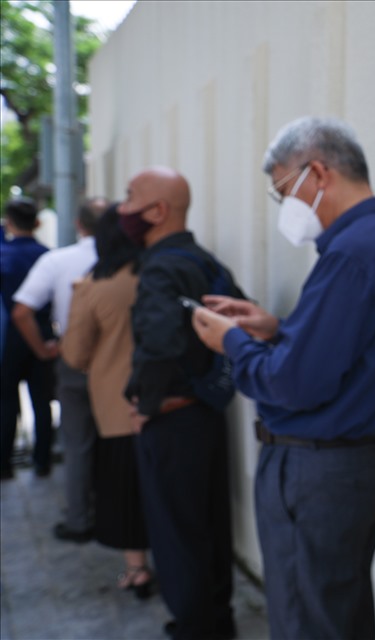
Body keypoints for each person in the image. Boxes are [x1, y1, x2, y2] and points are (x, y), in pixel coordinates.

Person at [191, 116, 375, 639]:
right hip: (348, 462)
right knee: (335, 614)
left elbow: (293, 384)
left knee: (308, 621)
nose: (285, 207)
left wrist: (228, 340)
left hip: (315, 467)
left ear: (317, 172)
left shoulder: (352, 253)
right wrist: (275, 327)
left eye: (283, 190)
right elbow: (355, 348)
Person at [118, 166, 241, 640]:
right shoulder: (206, 261)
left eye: (129, 198)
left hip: (172, 422)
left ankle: (195, 629)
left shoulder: (161, 268)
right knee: (209, 530)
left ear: (157, 211)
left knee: (177, 539)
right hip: (206, 418)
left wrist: (146, 406)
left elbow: (159, 345)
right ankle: (217, 623)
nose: (121, 210)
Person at [60, 205, 153, 599]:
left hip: (115, 406)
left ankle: (137, 569)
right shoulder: (156, 273)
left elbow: (75, 354)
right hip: (167, 400)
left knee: (126, 491)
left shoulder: (93, 286)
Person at [10, 197, 106, 541]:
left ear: (79, 225)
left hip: (75, 360)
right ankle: (120, 517)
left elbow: (21, 311)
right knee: (120, 442)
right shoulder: (132, 261)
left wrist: (44, 349)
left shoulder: (59, 260)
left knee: (78, 443)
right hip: (121, 363)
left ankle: (81, 519)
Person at [0, 198, 55, 480]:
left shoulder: (3, 254)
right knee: (42, 400)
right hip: (43, 331)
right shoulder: (47, 255)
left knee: (7, 401)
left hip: (10, 335)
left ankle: (5, 463)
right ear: (37, 222)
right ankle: (42, 460)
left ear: (9, 222)